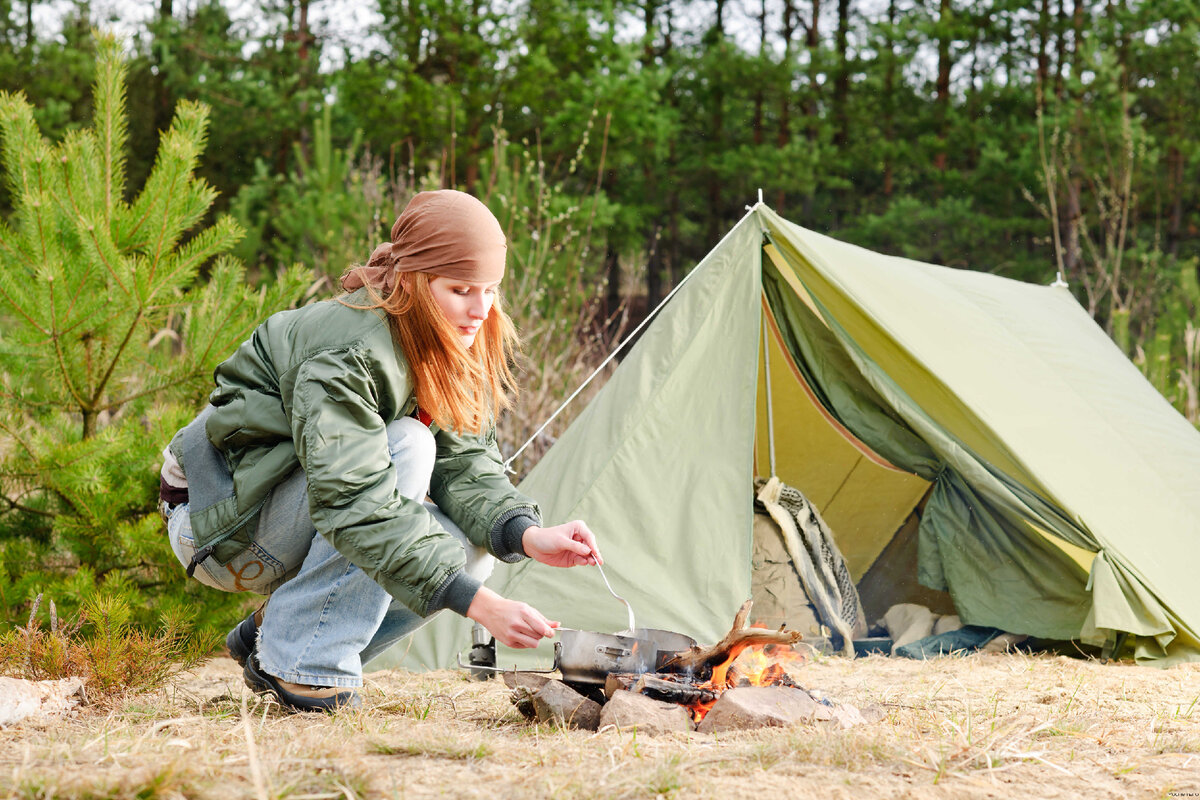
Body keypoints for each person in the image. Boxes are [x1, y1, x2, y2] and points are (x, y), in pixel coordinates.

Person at [159, 190, 600, 711]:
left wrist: (525, 534)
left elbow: (464, 462)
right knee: (409, 446)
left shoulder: (443, 337)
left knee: (470, 553)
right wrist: (480, 608)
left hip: (289, 511)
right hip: (218, 523)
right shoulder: (349, 350)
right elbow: (354, 502)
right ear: (414, 280)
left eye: (490, 290)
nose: (480, 310)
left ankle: (275, 637)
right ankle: (307, 667)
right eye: (461, 289)